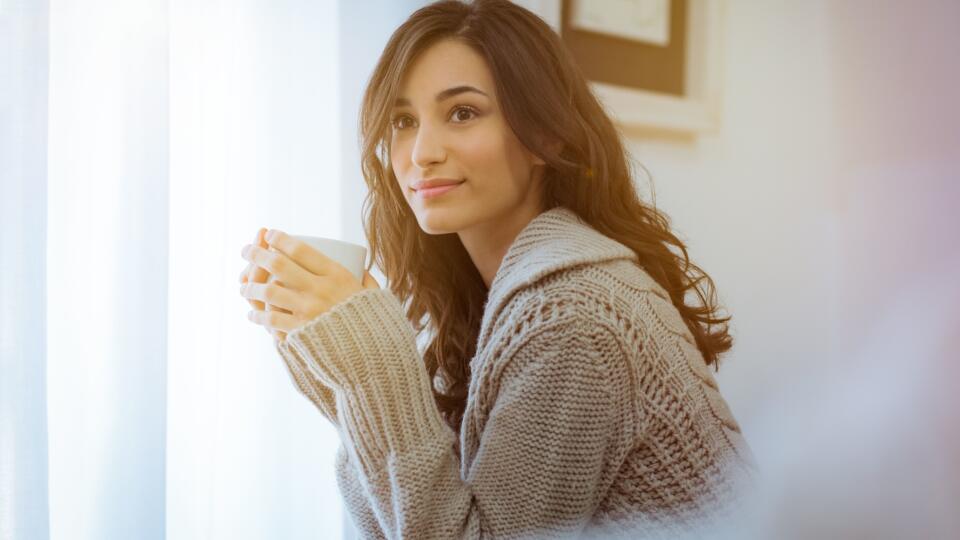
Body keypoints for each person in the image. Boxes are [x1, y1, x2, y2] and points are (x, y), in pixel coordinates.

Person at [238, 0, 756, 537]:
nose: (421, 153)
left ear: (546, 135)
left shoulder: (572, 316)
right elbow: (402, 520)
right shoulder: (481, 304)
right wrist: (340, 368)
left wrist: (373, 367)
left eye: (462, 113)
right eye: (402, 121)